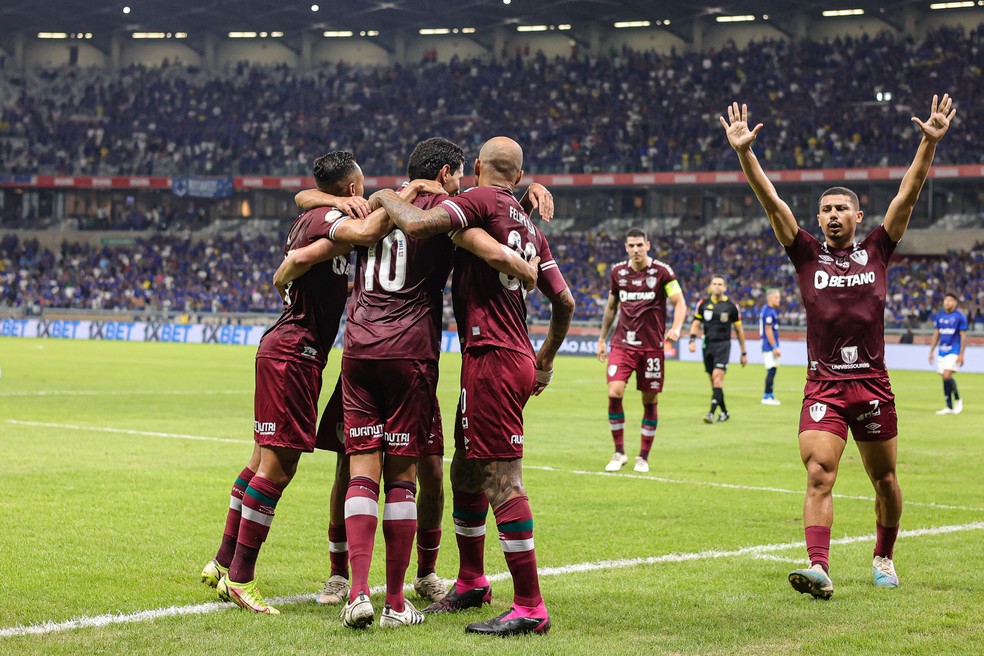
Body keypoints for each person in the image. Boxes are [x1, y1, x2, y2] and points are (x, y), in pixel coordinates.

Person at [280, 137, 543, 629]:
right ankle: (397, 601)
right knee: (404, 478)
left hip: (358, 347)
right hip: (410, 351)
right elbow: (488, 236)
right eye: (461, 175)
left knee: (360, 470)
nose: (464, 183)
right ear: (447, 172)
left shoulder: (377, 203)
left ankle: (356, 591)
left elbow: (320, 210)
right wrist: (523, 254)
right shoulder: (449, 209)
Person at [721, 94, 956, 599]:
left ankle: (884, 555)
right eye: (825, 209)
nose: (831, 215)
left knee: (885, 480)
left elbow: (907, 196)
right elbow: (772, 203)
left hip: (872, 385)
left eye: (840, 209)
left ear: (856, 214)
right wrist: (746, 155)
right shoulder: (805, 253)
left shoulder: (878, 248)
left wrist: (928, 143)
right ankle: (819, 566)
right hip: (824, 385)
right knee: (819, 473)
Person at [371, 136, 575, 636]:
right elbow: (565, 303)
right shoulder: (529, 225)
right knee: (466, 469)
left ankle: (530, 606)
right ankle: (471, 581)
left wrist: (381, 197)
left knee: (502, 479)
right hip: (512, 356)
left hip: (493, 357)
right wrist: (544, 360)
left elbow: (418, 224)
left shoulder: (479, 200)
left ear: (479, 167)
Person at [199, 151, 416, 614]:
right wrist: (399, 196)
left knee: (260, 460)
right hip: (294, 353)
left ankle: (221, 563)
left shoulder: (317, 209)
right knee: (279, 468)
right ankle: (241, 579)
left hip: (287, 350)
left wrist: (293, 260)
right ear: (353, 189)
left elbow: (304, 217)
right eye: (361, 185)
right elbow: (360, 231)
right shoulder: (328, 218)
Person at [596, 228, 686, 473]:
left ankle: (643, 457)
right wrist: (602, 338)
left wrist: (677, 328)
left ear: (647, 245)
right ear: (626, 248)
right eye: (631, 246)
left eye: (639, 245)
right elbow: (611, 307)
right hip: (623, 344)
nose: (635, 249)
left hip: (652, 348)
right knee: (614, 392)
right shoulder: (617, 273)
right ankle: (619, 452)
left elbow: (679, 302)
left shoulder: (663, 272)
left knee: (650, 399)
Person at [687, 275, 748, 423]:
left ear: (725, 287)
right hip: (707, 345)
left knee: (717, 378)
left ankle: (710, 413)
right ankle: (725, 413)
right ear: (710, 286)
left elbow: (739, 330)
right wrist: (692, 340)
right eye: (714, 284)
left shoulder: (732, 307)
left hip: (723, 346)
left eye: (720, 284)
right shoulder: (703, 304)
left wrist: (743, 352)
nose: (717, 286)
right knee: (715, 384)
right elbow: (696, 323)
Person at [929, 292, 968, 415]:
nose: (947, 302)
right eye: (945, 300)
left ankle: (958, 399)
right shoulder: (939, 316)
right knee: (944, 378)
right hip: (942, 351)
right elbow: (936, 334)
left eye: (950, 300)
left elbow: (963, 336)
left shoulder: (960, 317)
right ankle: (949, 407)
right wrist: (931, 351)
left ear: (955, 302)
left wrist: (961, 354)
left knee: (946, 375)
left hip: (954, 350)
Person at [760, 288, 783, 405]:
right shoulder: (769, 311)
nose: (779, 299)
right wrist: (774, 346)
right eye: (777, 297)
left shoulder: (768, 310)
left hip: (769, 345)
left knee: (772, 370)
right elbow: (768, 330)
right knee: (771, 370)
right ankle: (767, 396)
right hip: (769, 346)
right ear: (770, 298)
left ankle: (770, 395)